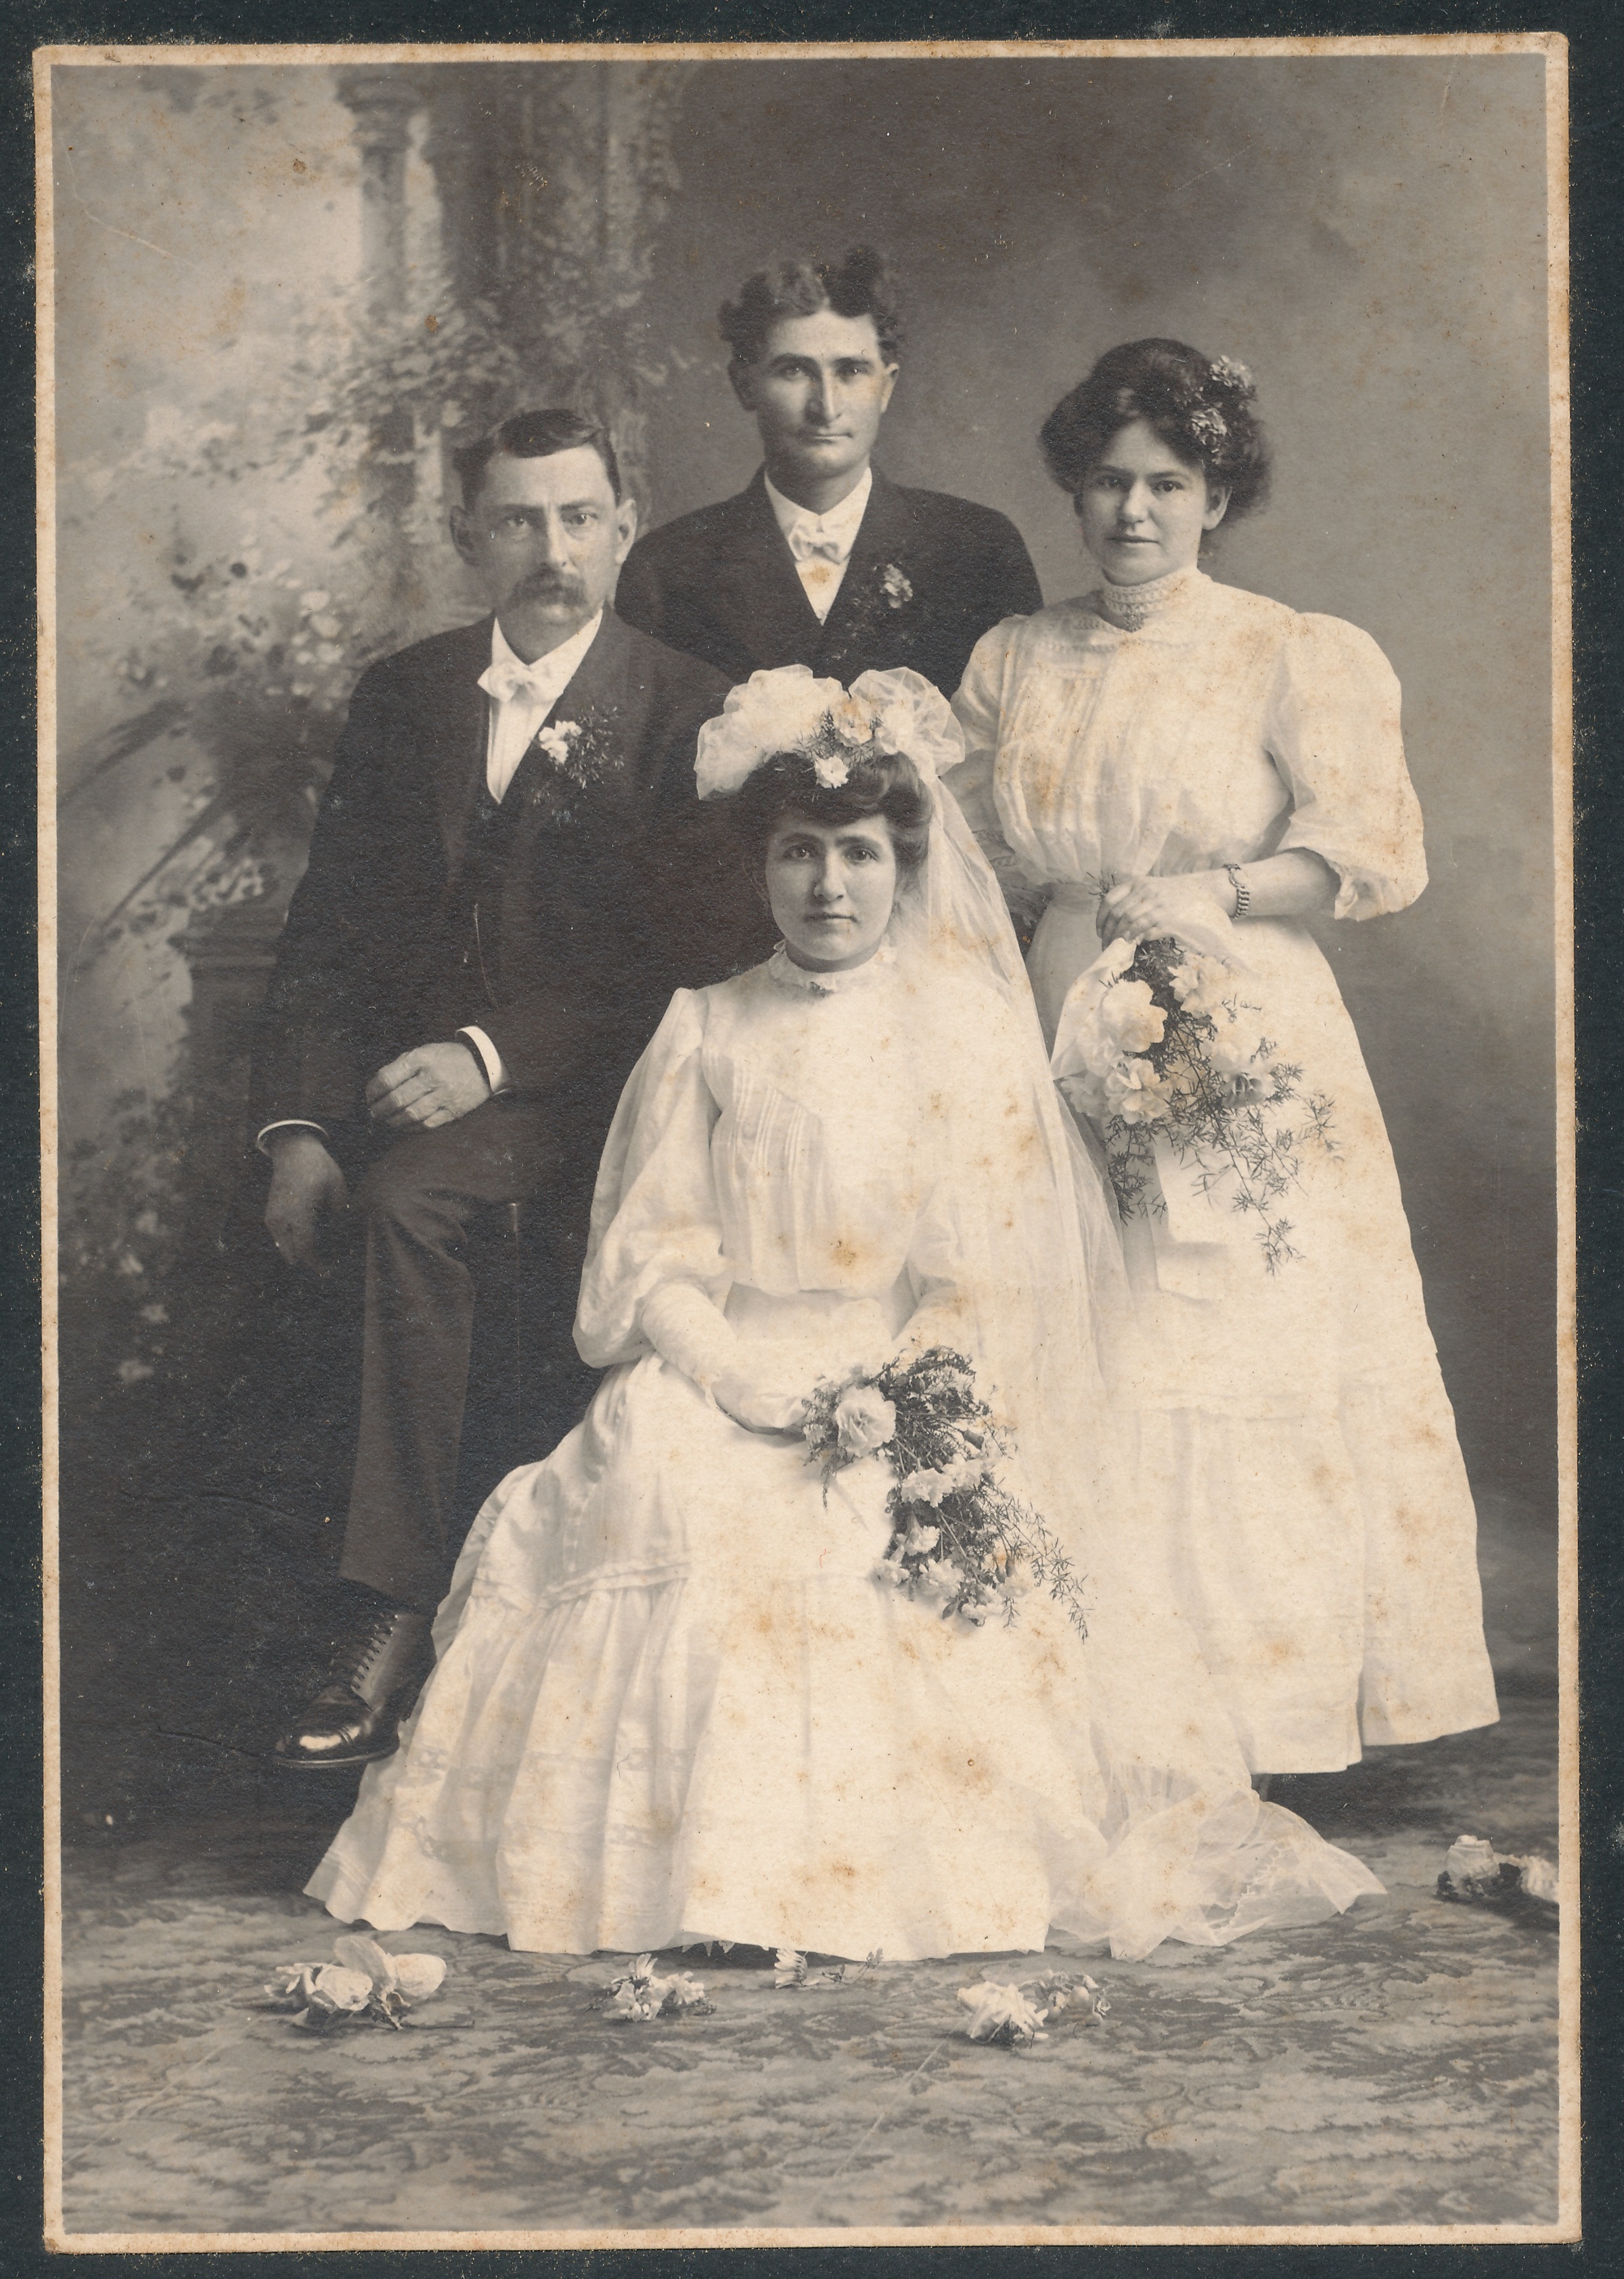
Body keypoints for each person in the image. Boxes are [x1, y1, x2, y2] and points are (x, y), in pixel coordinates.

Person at [305, 664, 1382, 1964]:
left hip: (901, 1371)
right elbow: (651, 1260)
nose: (830, 885)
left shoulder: (962, 1037)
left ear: (906, 865)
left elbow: (979, 1274)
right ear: (760, 865)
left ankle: (842, 1884)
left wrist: (897, 1388)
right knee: (664, 1494)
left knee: (866, 1533)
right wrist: (738, 1376)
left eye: (860, 853)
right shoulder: (704, 1026)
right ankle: (677, 1883)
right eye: (801, 852)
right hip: (721, 1370)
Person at [947, 338, 1500, 1778]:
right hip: (1055, 1006)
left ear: (1217, 493)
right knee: (1083, 1325)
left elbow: (1372, 852)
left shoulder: (1289, 648)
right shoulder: (1011, 659)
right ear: (1075, 490)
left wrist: (1218, 894)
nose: (1134, 511)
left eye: (1169, 484)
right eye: (1110, 483)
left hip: (1239, 1011)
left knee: (1221, 1328)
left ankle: (1257, 1715)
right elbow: (960, 857)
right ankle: (1092, 1700)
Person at [251, 407, 742, 1771]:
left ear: (623, 525)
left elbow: (679, 960)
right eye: (519, 520)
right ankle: (365, 1604)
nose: (552, 549)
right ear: (468, 535)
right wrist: (294, 1130)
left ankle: (391, 1606)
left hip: (606, 1096)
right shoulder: (401, 696)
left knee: (411, 1204)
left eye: (579, 517)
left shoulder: (687, 705)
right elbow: (327, 931)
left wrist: (491, 1054)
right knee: (352, 1196)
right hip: (417, 1097)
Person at [614, 247, 1042, 697]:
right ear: (745, 386)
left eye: (851, 371)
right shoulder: (665, 570)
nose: (827, 408)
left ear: (886, 386)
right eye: (795, 371)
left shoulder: (981, 551)